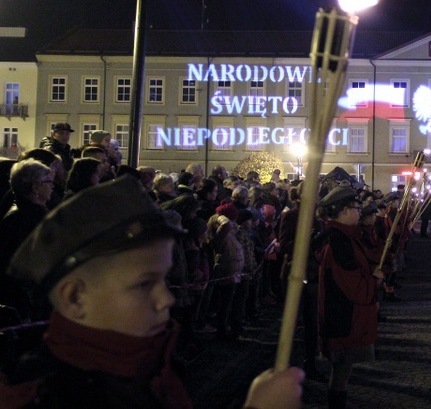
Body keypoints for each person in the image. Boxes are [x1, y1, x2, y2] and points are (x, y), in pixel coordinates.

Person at [1, 175, 303, 408]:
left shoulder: (145, 367)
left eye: (163, 279)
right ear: (74, 297)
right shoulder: (51, 396)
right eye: (144, 284)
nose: (166, 298)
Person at [317, 186, 383, 409]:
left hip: (346, 314)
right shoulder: (339, 242)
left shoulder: (346, 238)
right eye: (356, 208)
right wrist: (374, 282)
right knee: (341, 371)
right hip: (344, 316)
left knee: (343, 371)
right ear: (344, 211)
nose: (359, 212)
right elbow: (354, 286)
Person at [0, 159, 54, 321]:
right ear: (35, 186)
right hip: (27, 305)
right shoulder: (21, 218)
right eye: (48, 181)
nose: (52, 185)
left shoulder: (34, 213)